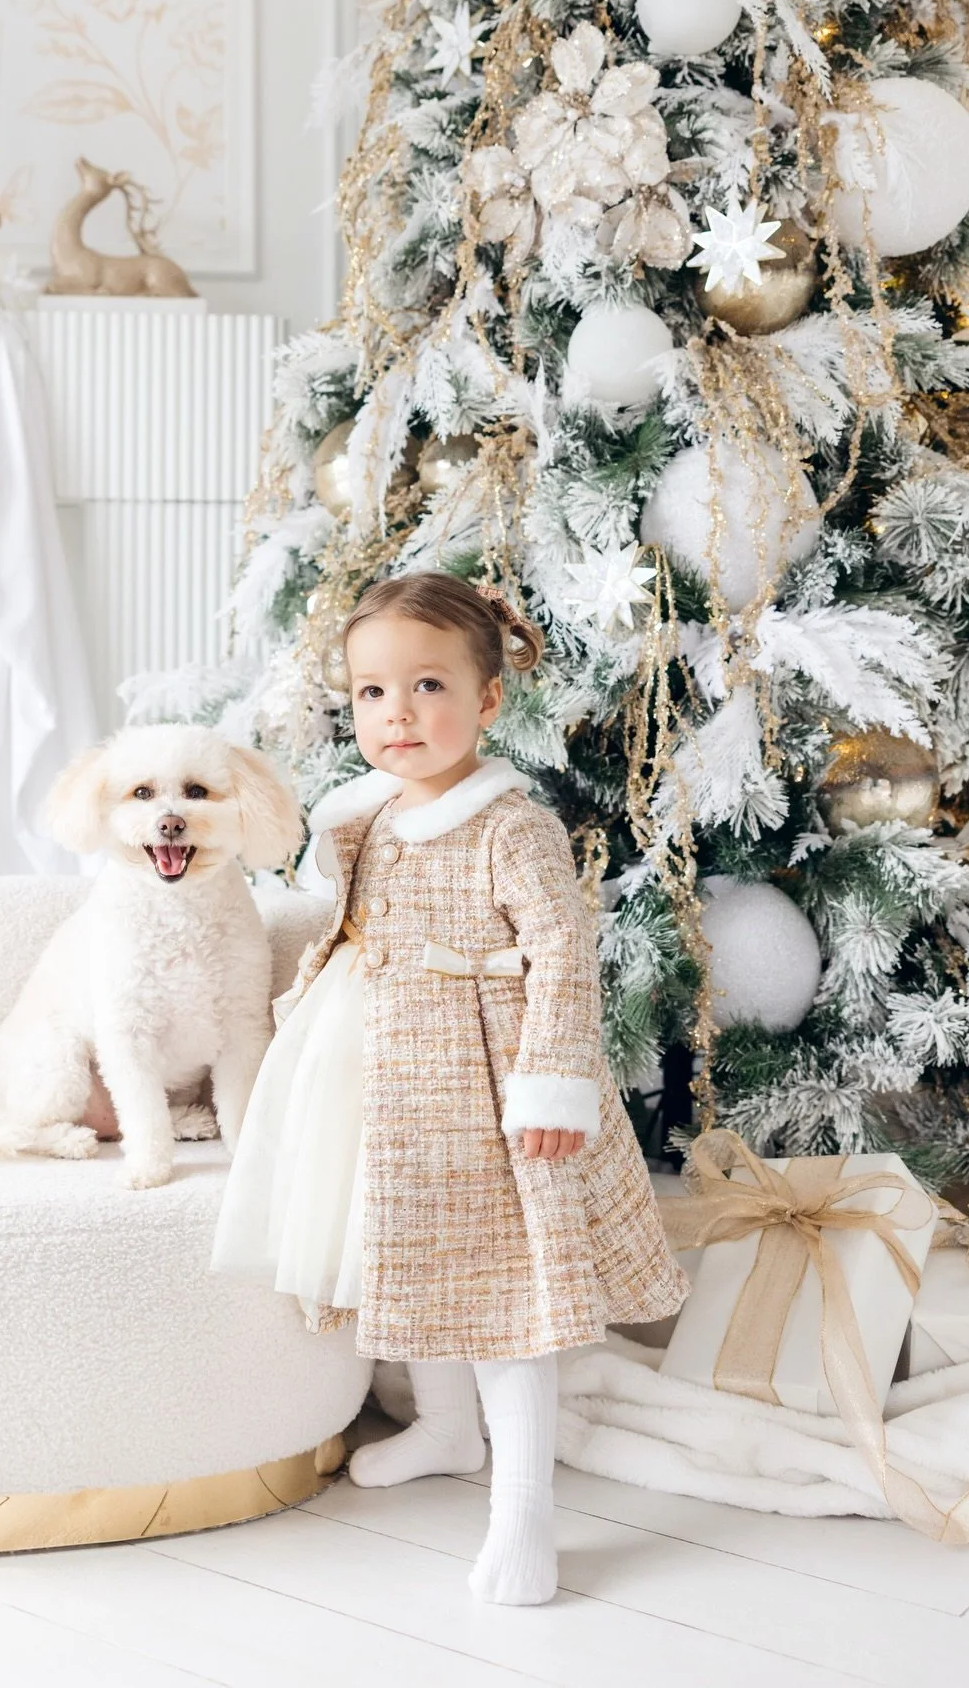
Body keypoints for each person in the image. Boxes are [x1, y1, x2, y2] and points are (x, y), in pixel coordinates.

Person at [212, 569, 688, 1605]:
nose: (398, 714)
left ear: (486, 699)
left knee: (501, 1289)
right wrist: (303, 1013)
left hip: (489, 1076)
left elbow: (562, 950)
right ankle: (443, 1425)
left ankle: (523, 1502)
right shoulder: (367, 818)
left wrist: (552, 1082)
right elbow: (348, 929)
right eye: (372, 693)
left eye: (427, 685)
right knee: (415, 1256)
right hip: (381, 1077)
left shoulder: (507, 824)